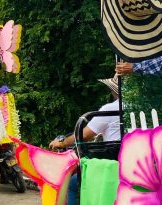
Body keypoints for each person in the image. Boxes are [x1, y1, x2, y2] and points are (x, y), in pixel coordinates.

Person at [49, 74, 121, 205]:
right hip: (136, 160)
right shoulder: (142, 107)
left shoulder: (110, 109)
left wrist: (61, 142)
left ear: (113, 90)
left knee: (72, 184)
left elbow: (85, 135)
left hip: (114, 164)